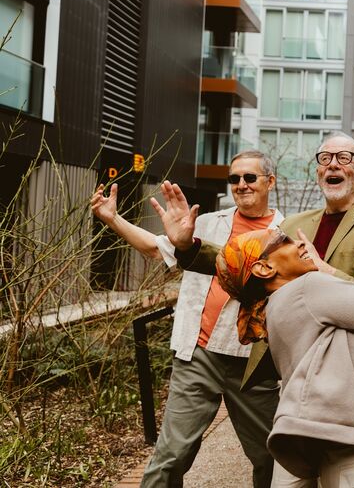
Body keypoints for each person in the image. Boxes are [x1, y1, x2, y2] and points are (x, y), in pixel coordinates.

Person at [151, 132, 354, 487]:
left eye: (344, 158)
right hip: (295, 375)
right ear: (317, 173)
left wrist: (327, 273)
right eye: (324, 159)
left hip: (351, 379)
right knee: (283, 466)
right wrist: (187, 247)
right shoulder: (292, 226)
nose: (333, 164)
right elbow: (245, 259)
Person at [213, 205, 354, 487]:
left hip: (353, 460)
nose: (299, 242)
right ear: (264, 268)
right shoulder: (309, 288)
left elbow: (353, 387)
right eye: (283, 240)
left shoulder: (277, 314)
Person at [90, 150, 282, 488]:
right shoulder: (207, 222)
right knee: (170, 457)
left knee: (273, 457)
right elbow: (155, 248)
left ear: (270, 181)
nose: (241, 184)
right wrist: (112, 219)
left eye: (250, 177)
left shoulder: (287, 233)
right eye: (234, 178)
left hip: (252, 363)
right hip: (198, 355)